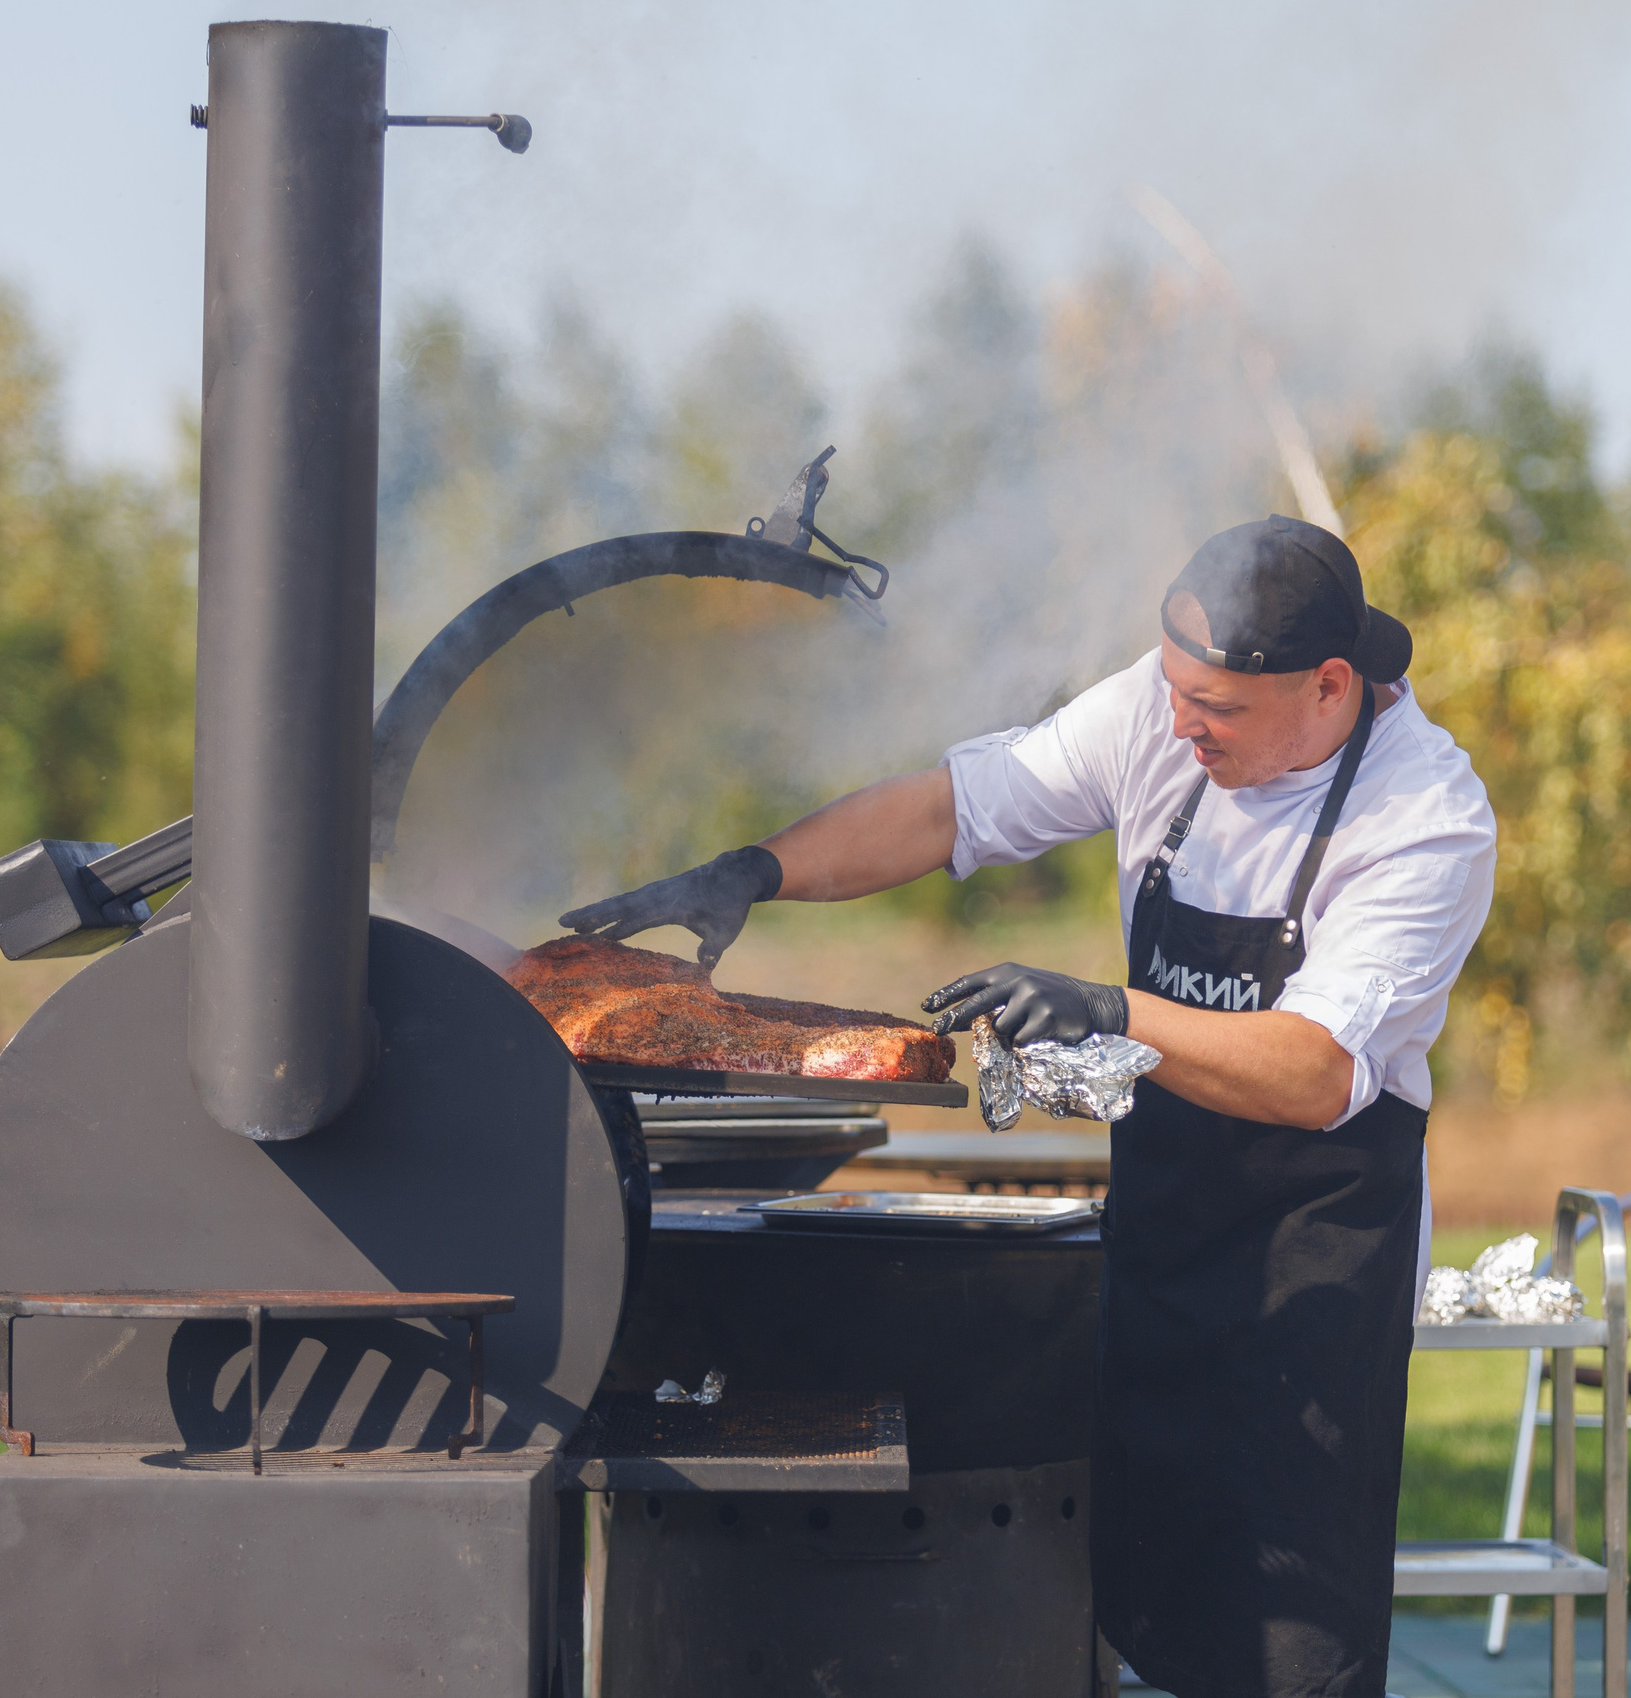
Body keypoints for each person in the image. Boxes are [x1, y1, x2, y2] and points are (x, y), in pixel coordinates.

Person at [562, 514, 1497, 1698]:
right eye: (1173, 692)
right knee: (1144, 1606)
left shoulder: (1424, 819)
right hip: (1164, 1236)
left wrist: (1111, 1007)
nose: (1178, 726)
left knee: (1286, 1646)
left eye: (1214, 708)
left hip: (1309, 1277)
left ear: (1327, 687)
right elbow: (954, 809)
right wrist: (757, 870)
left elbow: (1314, 1070)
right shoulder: (1166, 717)